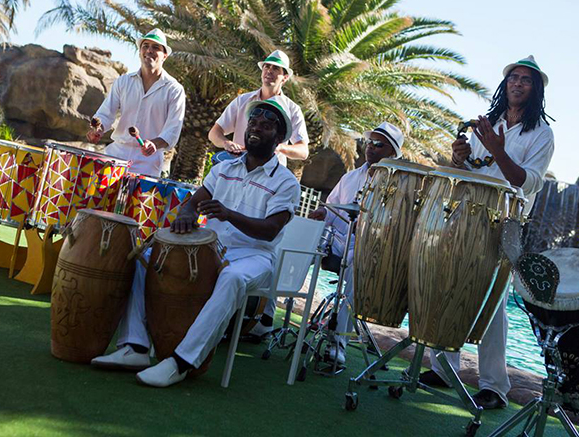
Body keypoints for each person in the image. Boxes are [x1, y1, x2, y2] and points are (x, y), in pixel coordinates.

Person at [91, 98, 301, 388]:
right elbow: (193, 201)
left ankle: (182, 362)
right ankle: (135, 347)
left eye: (266, 127)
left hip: (256, 256)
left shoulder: (286, 182)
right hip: (213, 248)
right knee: (146, 258)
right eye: (253, 123)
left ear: (278, 138)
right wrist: (185, 215)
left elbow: (269, 230)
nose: (256, 129)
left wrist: (228, 215)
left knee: (232, 277)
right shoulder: (224, 168)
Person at [420, 55, 554, 410]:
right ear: (505, 83)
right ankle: (444, 369)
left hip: (506, 221)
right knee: (448, 284)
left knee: (492, 302)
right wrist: (459, 157)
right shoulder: (488, 122)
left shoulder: (542, 134)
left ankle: (494, 387)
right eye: (514, 77)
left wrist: (498, 150)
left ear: (535, 88)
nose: (518, 83)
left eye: (526, 79)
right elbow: (469, 169)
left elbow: (527, 182)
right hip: (467, 213)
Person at [208, 50, 309, 337]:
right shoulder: (243, 101)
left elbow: (303, 150)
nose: (270, 72)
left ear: (285, 77)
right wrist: (226, 146)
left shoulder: (292, 110)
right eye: (267, 67)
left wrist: (277, 146)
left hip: (271, 179)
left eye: (277, 69)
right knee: (225, 235)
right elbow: (214, 133)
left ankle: (264, 317)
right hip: (237, 171)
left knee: (267, 244)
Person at [308, 122, 405, 364]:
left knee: (357, 265)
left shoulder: (399, 186)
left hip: (368, 250)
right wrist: (323, 214)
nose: (371, 147)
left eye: (379, 144)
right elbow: (332, 207)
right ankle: (266, 317)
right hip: (337, 242)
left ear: (392, 153)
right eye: (369, 142)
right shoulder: (350, 177)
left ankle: (337, 341)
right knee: (300, 241)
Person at [86, 29, 186, 177]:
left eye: (156, 47)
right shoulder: (123, 81)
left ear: (164, 55)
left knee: (136, 200)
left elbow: (172, 130)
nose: (149, 50)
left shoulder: (174, 89)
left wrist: (154, 144)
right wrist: (98, 130)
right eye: (145, 46)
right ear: (140, 51)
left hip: (148, 163)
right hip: (116, 154)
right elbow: (105, 114)